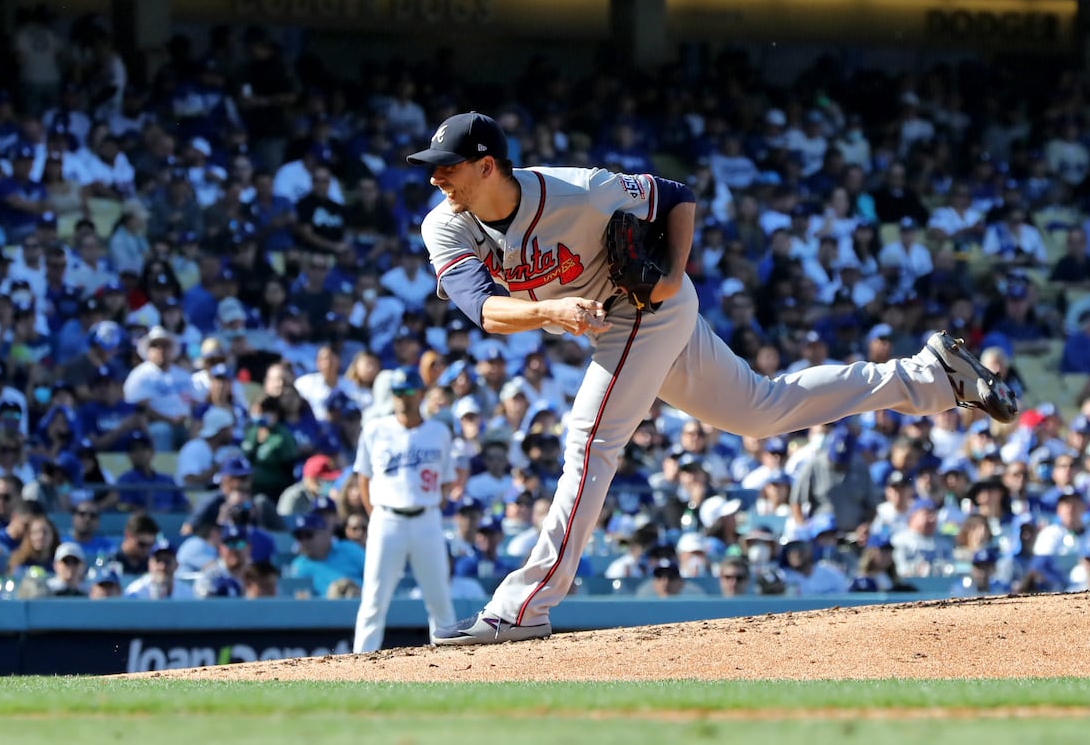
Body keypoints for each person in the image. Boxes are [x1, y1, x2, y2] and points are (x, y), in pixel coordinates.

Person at [408, 112, 1015, 645]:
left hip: (648, 309)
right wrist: (549, 311)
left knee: (590, 439)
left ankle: (523, 606)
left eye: (448, 167)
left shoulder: (578, 190)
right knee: (760, 410)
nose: (437, 178)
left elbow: (675, 195)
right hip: (604, 319)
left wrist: (671, 274)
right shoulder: (445, 225)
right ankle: (931, 377)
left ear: (487, 166)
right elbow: (484, 311)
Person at [352, 367, 456, 653]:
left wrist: (433, 503)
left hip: (427, 518)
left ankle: (450, 666)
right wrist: (376, 513)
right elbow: (363, 477)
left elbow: (447, 481)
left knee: (439, 601)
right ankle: (360, 666)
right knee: (373, 600)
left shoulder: (438, 432)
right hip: (387, 518)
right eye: (397, 392)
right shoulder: (375, 429)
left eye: (407, 391)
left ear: (421, 394)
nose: (402, 398)